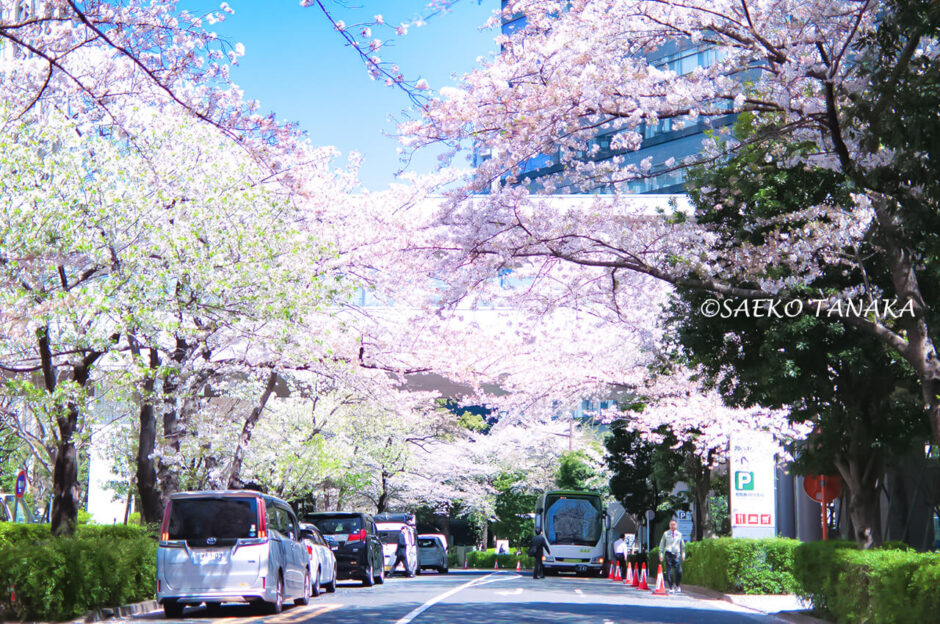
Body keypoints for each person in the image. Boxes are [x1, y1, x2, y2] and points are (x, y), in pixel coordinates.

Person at [659, 519, 686, 593]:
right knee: (669, 571)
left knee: (678, 571)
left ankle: (677, 585)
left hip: (677, 553)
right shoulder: (666, 534)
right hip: (668, 553)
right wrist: (661, 553)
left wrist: (683, 554)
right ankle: (671, 587)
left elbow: (682, 546)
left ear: (676, 525)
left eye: (674, 524)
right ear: (669, 525)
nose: (672, 526)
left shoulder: (679, 534)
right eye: (671, 524)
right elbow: (662, 544)